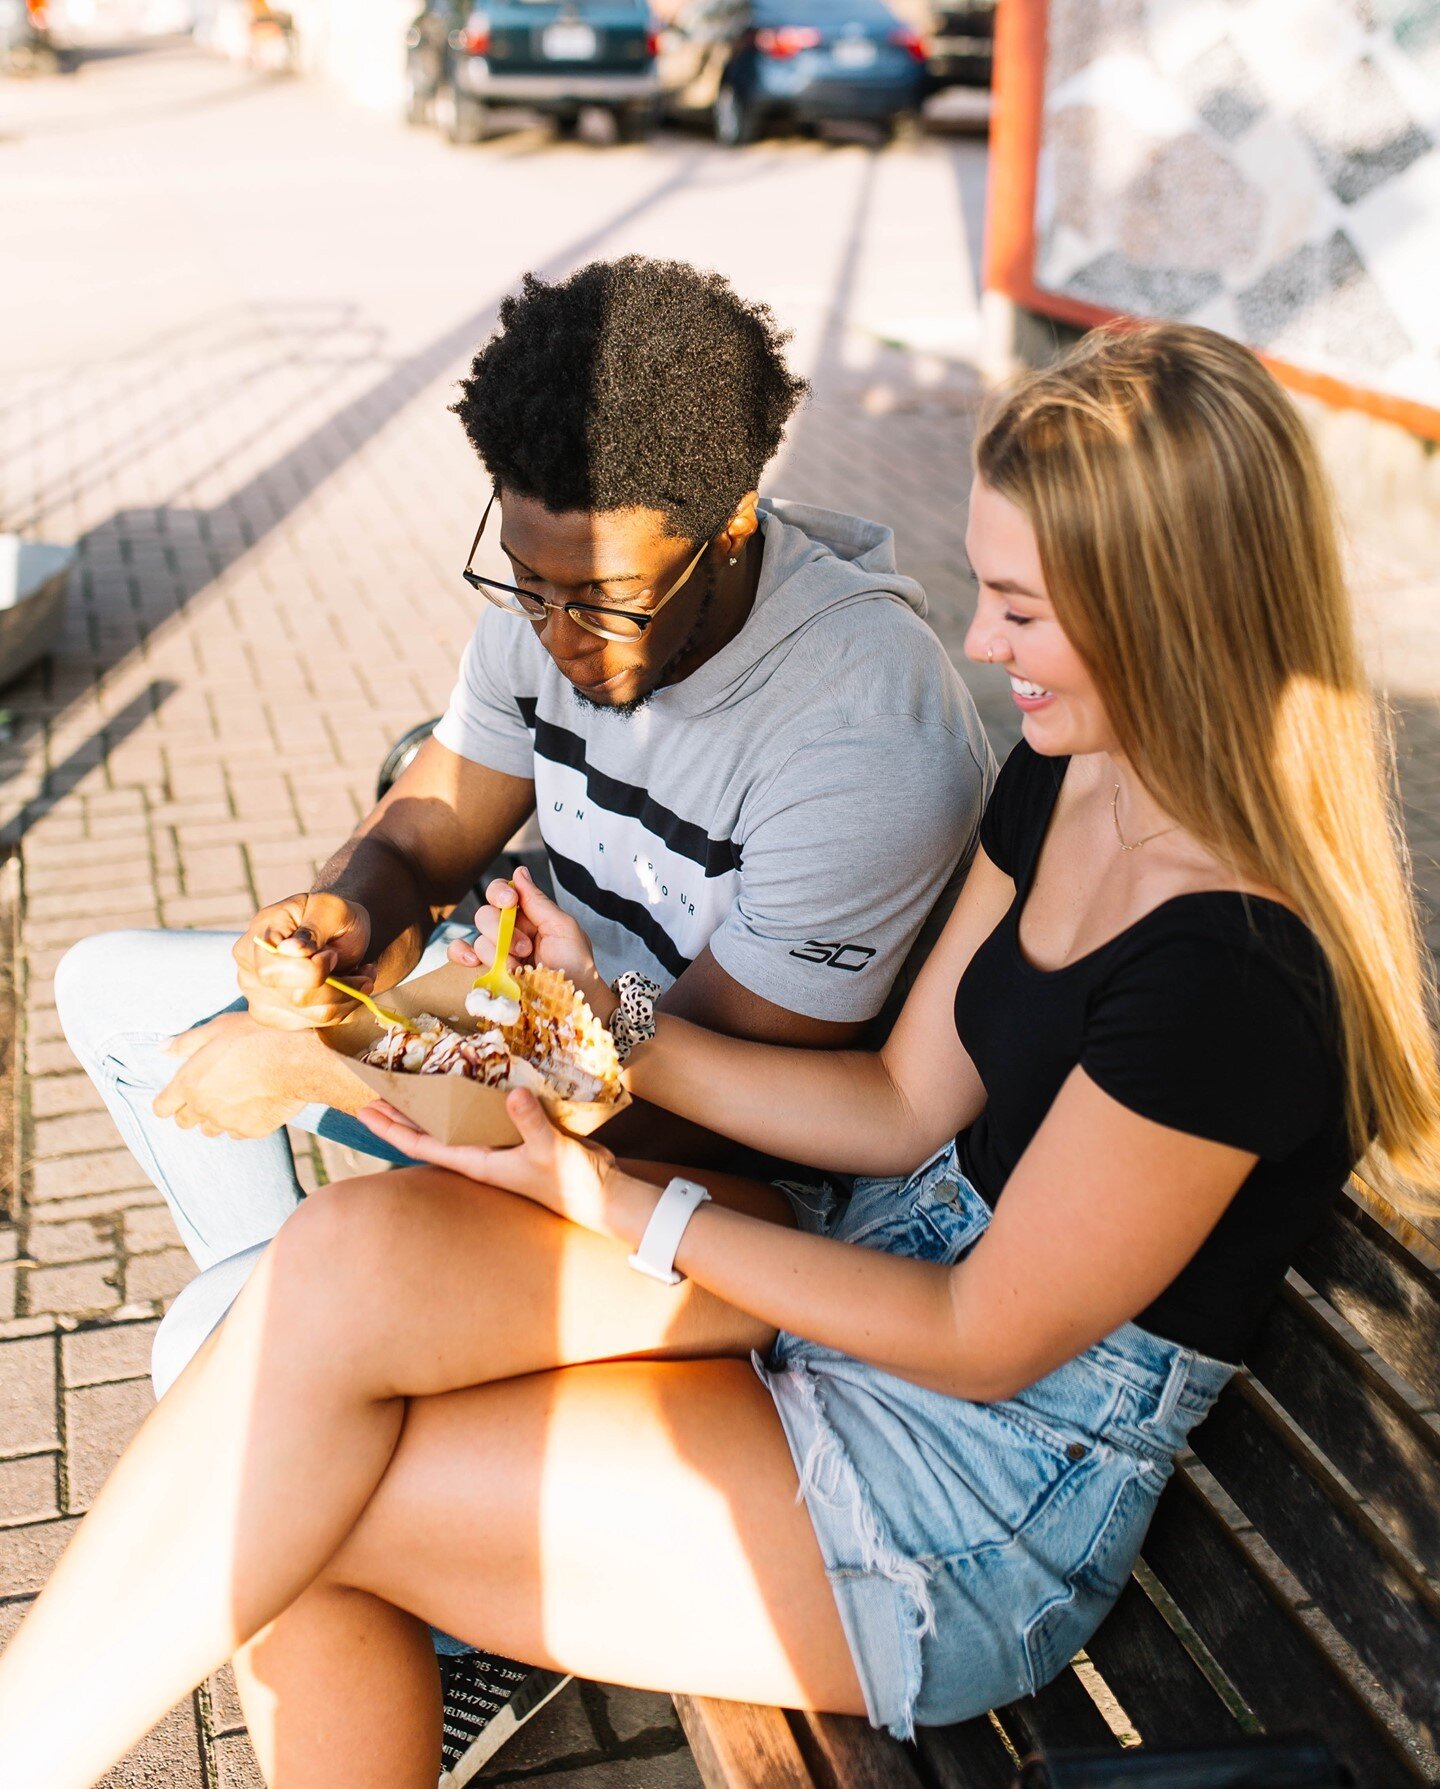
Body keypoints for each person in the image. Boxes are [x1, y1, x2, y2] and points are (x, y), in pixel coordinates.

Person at [10, 321, 1439, 1789]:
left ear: (1170, 612)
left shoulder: (1236, 977)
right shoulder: (1074, 777)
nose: (979, 640)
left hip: (973, 1486)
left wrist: (625, 1210)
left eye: (1021, 607)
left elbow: (980, 1334)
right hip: (854, 1287)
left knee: (290, 1519)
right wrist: (601, 1025)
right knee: (340, 1276)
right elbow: (894, 1108)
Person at [55, 253, 991, 1341]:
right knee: (109, 990)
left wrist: (337, 1060)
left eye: (603, 600)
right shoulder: (552, 602)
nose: (553, 635)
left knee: (223, 1323)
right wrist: (346, 919)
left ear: (733, 521)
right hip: (522, 1037)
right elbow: (419, 836)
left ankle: (283, 1334)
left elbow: (681, 1081)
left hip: (700, 1169)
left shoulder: (866, 736)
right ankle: (288, 1324)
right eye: (527, 582)